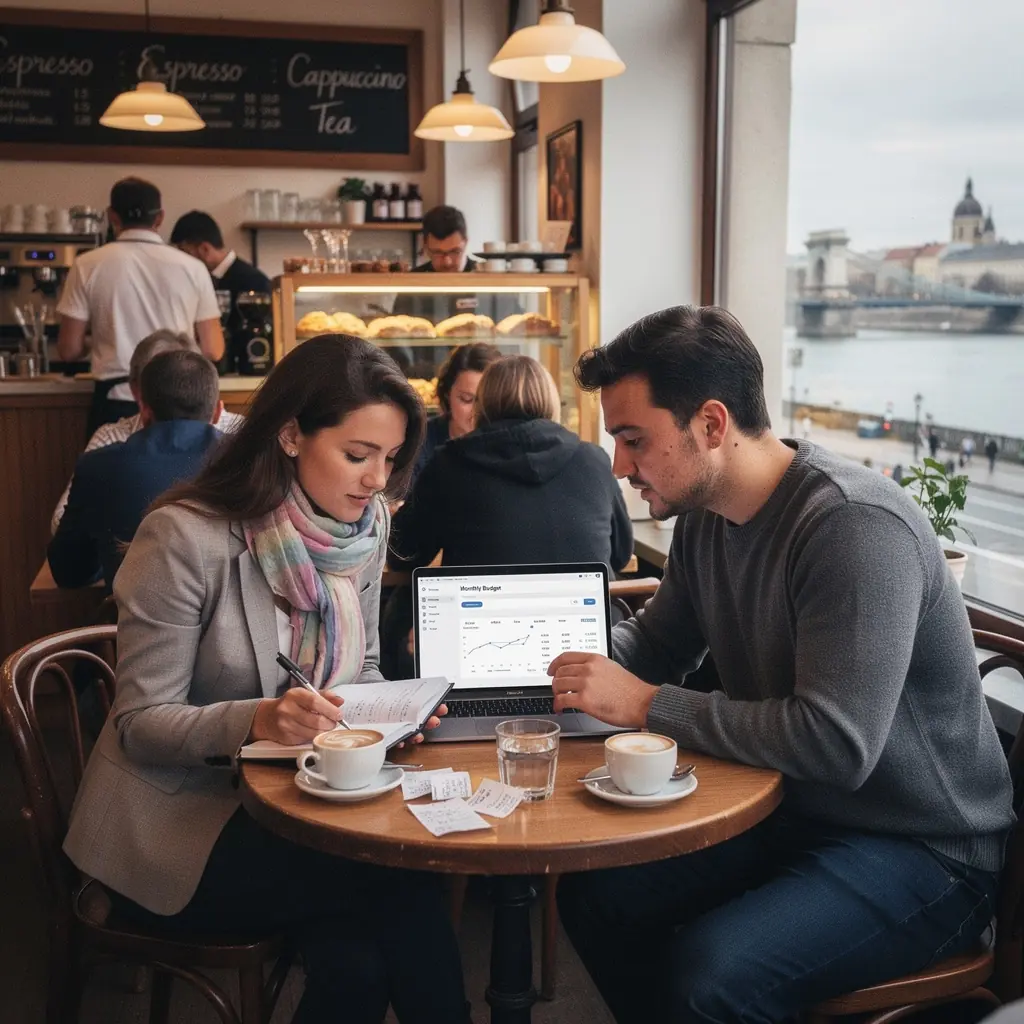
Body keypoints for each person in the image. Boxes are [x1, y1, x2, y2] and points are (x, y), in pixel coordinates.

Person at [548, 305, 1014, 1024]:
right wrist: (542, 658)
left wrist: (643, 703)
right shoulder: (706, 519)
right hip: (794, 810)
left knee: (711, 977)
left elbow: (834, 744)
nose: (618, 466)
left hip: (924, 847)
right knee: (593, 895)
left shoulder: (854, 527)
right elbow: (655, 647)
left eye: (633, 439)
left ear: (710, 424)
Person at [62, 335, 471, 1024]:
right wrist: (259, 719)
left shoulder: (362, 529)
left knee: (361, 961)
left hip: (303, 803)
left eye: (391, 460)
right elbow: (138, 725)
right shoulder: (185, 538)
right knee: (402, 883)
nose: (378, 481)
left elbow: (362, 666)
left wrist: (397, 713)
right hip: (180, 823)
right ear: (289, 434)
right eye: (357, 454)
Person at [391, 354, 632, 572]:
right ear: (551, 400)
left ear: (482, 402)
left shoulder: (450, 464)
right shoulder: (594, 459)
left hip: (481, 617)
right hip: (586, 619)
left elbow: (402, 554)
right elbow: (620, 555)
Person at [57, 177, 225, 435]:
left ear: (112, 216)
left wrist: (103, 340)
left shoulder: (86, 264)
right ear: (159, 218)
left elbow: (68, 350)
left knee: (111, 474)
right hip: (179, 400)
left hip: (115, 397)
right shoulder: (193, 268)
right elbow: (213, 349)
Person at [47, 349, 223, 590]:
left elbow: (69, 572)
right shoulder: (253, 460)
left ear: (144, 410)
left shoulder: (98, 467)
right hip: (236, 625)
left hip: (134, 624)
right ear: (217, 412)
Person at [51, 329, 245, 533]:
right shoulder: (111, 437)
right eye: (161, 381)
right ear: (137, 392)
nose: (174, 391)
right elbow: (60, 521)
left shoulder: (242, 435)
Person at [392, 205, 518, 327]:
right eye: (437, 252)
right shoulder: (412, 283)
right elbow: (396, 337)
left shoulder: (489, 279)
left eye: (454, 251)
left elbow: (515, 327)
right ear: (425, 246)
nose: (447, 262)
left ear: (466, 242)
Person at [170, 210, 272, 344]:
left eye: (183, 251)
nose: (181, 259)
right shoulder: (197, 280)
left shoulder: (253, 280)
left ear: (204, 249)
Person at [411, 341, 502, 485]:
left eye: (488, 401)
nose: (478, 411)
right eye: (466, 399)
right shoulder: (420, 441)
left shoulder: (510, 444)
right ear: (447, 393)